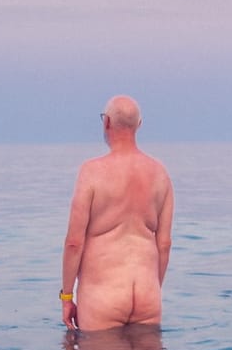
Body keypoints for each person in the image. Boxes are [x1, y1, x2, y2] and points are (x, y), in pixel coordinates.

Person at [58, 96, 174, 331]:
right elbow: (164, 244)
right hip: (147, 296)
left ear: (107, 122)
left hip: (103, 299)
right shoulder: (160, 174)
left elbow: (74, 243)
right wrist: (152, 290)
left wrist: (67, 297)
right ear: (139, 125)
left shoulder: (92, 172)